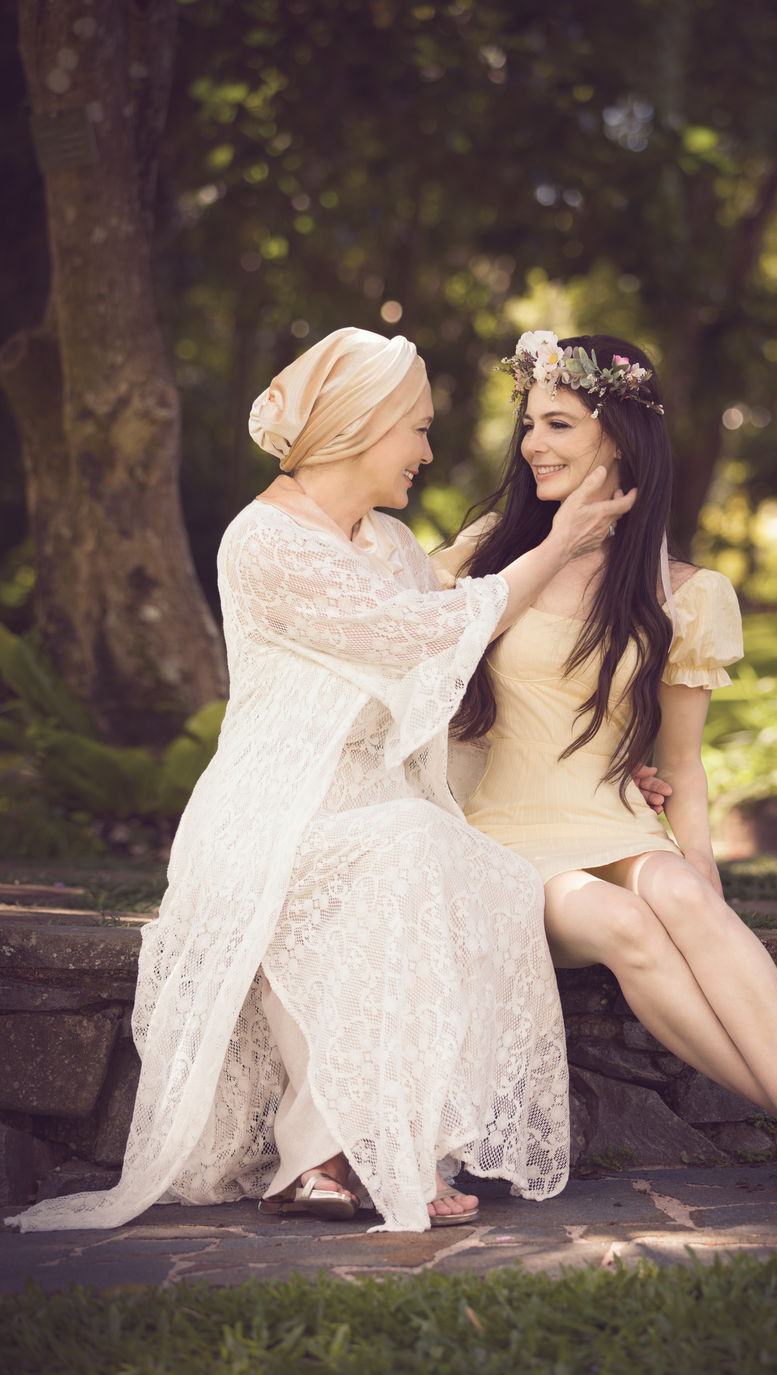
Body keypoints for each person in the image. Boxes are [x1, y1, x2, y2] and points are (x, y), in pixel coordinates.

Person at [7, 327, 635, 1235]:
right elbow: (419, 635)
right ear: (361, 427)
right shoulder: (264, 541)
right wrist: (560, 541)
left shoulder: (388, 541)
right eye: (416, 429)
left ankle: (371, 1150)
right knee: (405, 847)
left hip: (372, 799)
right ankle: (349, 1153)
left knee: (464, 862)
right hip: (271, 811)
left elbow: (446, 691)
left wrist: (611, 773)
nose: (426, 450)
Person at [433, 330, 777, 1216]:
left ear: (621, 438)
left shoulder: (683, 593)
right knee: (622, 921)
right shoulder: (490, 553)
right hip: (501, 835)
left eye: (558, 423)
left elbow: (682, 761)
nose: (533, 444)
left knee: (677, 890)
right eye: (529, 425)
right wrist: (558, 541)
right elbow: (426, 685)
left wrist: (702, 870)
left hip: (616, 815)